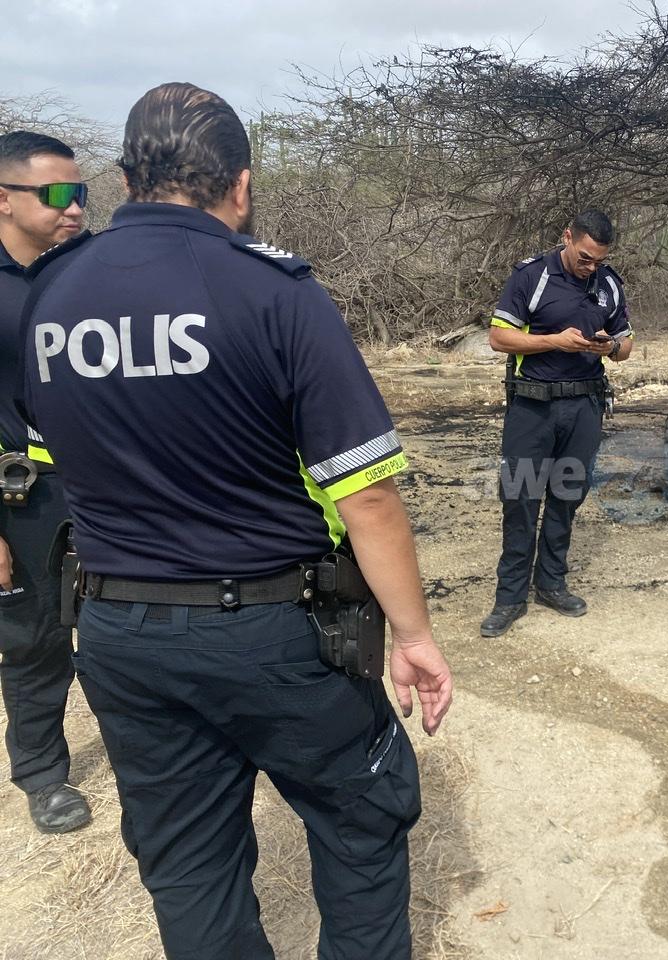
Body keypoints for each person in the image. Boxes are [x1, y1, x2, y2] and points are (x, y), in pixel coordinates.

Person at [20, 83, 452, 960]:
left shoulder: (50, 296)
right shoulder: (273, 289)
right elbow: (366, 495)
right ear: (241, 185)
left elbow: (52, 452)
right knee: (359, 827)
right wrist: (413, 634)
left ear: (126, 177)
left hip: (118, 633)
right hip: (270, 631)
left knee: (187, 863)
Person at [482, 210, 634, 637]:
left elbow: (627, 343)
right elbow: (499, 338)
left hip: (585, 404)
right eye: (585, 258)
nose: (591, 267)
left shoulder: (608, 284)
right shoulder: (531, 275)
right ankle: (509, 598)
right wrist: (555, 341)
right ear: (567, 237)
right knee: (520, 497)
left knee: (567, 496)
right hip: (533, 406)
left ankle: (551, 583)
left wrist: (610, 347)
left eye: (599, 260)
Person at [0, 131, 91, 833]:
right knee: (33, 637)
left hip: (107, 486)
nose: (75, 207)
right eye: (57, 194)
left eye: (80, 192)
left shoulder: (89, 274)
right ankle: (42, 773)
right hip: (22, 497)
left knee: (129, 621)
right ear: (4, 199)